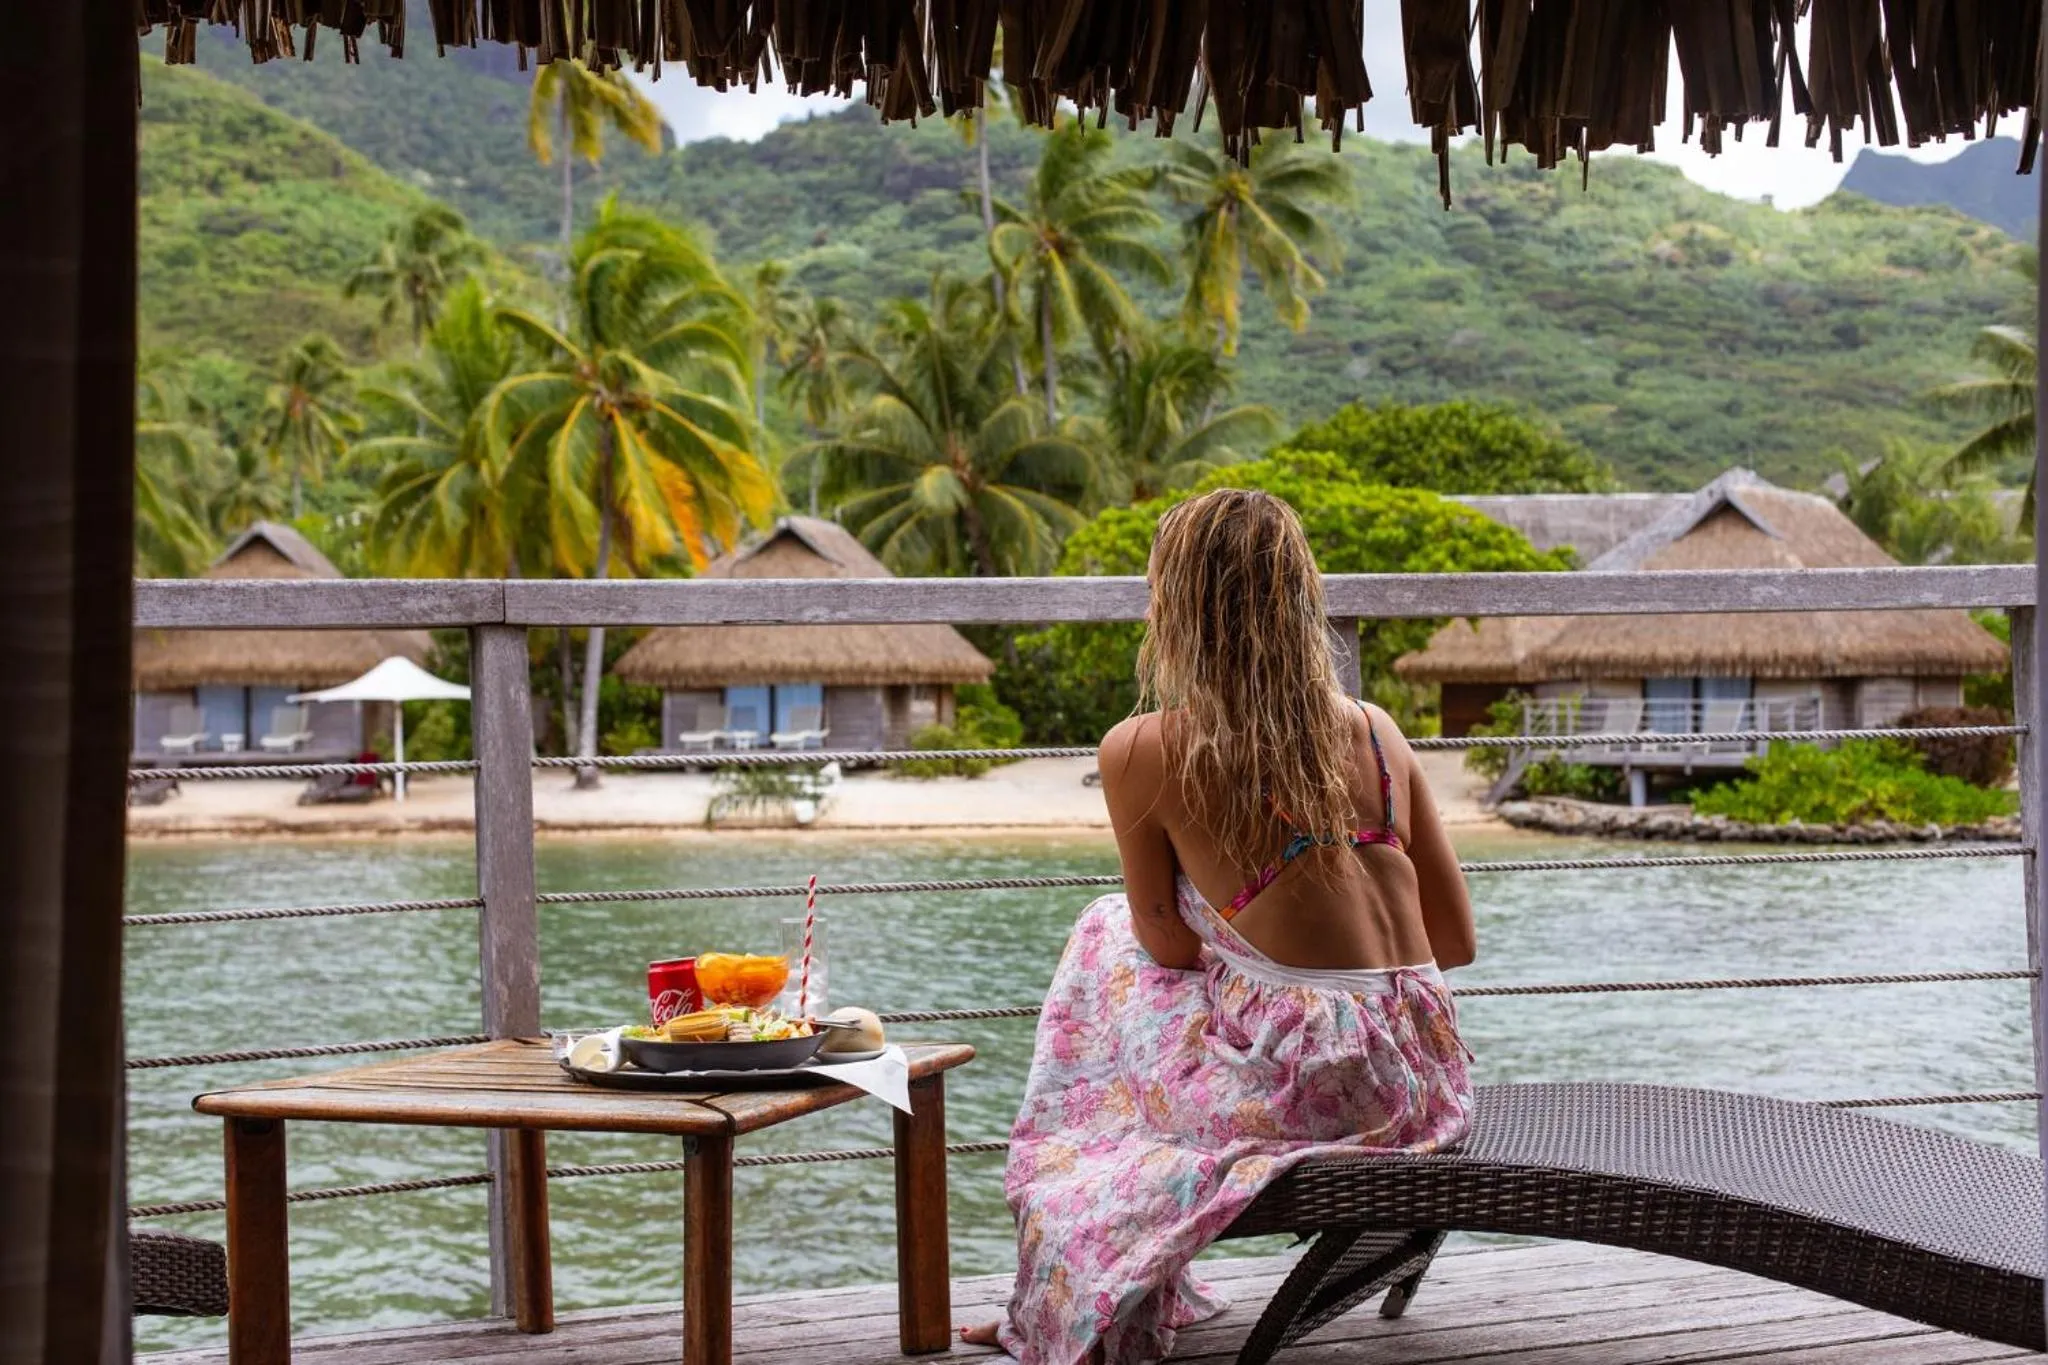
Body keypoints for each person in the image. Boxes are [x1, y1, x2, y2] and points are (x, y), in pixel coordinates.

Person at [963, 488, 1477, 1365]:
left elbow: (1162, 946)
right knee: (1134, 964)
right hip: (1427, 1076)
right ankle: (1107, 1271)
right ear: (1295, 601)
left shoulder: (1145, 748)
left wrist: (1227, 922)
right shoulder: (1375, 730)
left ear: (1180, 611)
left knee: (1103, 937)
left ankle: (1061, 1289)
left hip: (1318, 1085)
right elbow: (1455, 943)